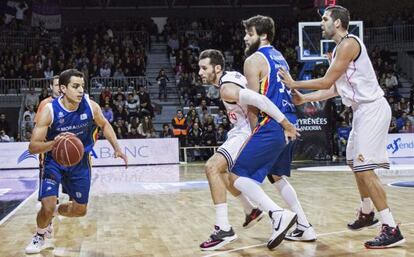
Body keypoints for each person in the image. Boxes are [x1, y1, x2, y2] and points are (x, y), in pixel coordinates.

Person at [278, 5, 405, 249]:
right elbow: (335, 89)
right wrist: (305, 99)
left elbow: (327, 80)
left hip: (373, 108)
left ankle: (391, 228)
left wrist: (295, 83)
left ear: (337, 23)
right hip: (361, 111)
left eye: (325, 19)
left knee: (366, 168)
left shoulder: (348, 44)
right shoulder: (338, 50)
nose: (321, 23)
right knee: (354, 164)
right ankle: (368, 213)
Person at [198, 49, 309, 251]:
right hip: (248, 130)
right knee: (239, 175)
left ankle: (228, 227)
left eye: (204, 68)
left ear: (217, 68)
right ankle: (255, 211)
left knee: (213, 168)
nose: (200, 72)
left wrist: (285, 124)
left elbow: (261, 101)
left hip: (248, 132)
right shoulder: (231, 79)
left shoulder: (227, 87)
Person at [228, 15, 317, 250]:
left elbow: (254, 101)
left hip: (270, 123)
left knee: (237, 176)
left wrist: (253, 130)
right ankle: (305, 226)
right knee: (277, 176)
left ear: (263, 35)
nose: (245, 38)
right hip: (290, 121)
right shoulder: (280, 59)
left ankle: (278, 215)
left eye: (250, 33)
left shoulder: (253, 60)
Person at [25, 69, 128, 254]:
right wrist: (55, 143)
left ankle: (54, 212)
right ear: (63, 88)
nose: (81, 90)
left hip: (80, 163)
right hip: (54, 162)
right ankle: (40, 235)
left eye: (82, 86)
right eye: (75, 86)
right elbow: (33, 147)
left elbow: (104, 124)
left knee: (80, 210)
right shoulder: (50, 110)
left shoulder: (90, 105)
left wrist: (117, 148)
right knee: (46, 206)